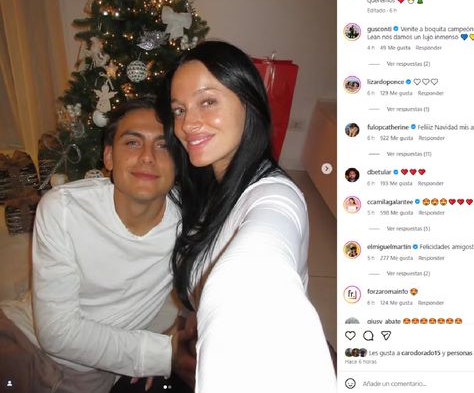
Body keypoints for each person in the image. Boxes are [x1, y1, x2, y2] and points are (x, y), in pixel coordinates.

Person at [156, 40, 336, 393]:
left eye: (208, 102)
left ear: (249, 102)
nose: (188, 123)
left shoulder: (276, 197)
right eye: (179, 109)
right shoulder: (208, 181)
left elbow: (254, 280)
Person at [0, 97, 192, 393]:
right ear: (109, 157)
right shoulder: (64, 209)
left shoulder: (190, 224)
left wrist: (173, 331)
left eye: (163, 145)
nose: (147, 157)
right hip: (22, 338)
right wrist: (161, 354)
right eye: (132, 143)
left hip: (93, 375)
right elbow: (57, 333)